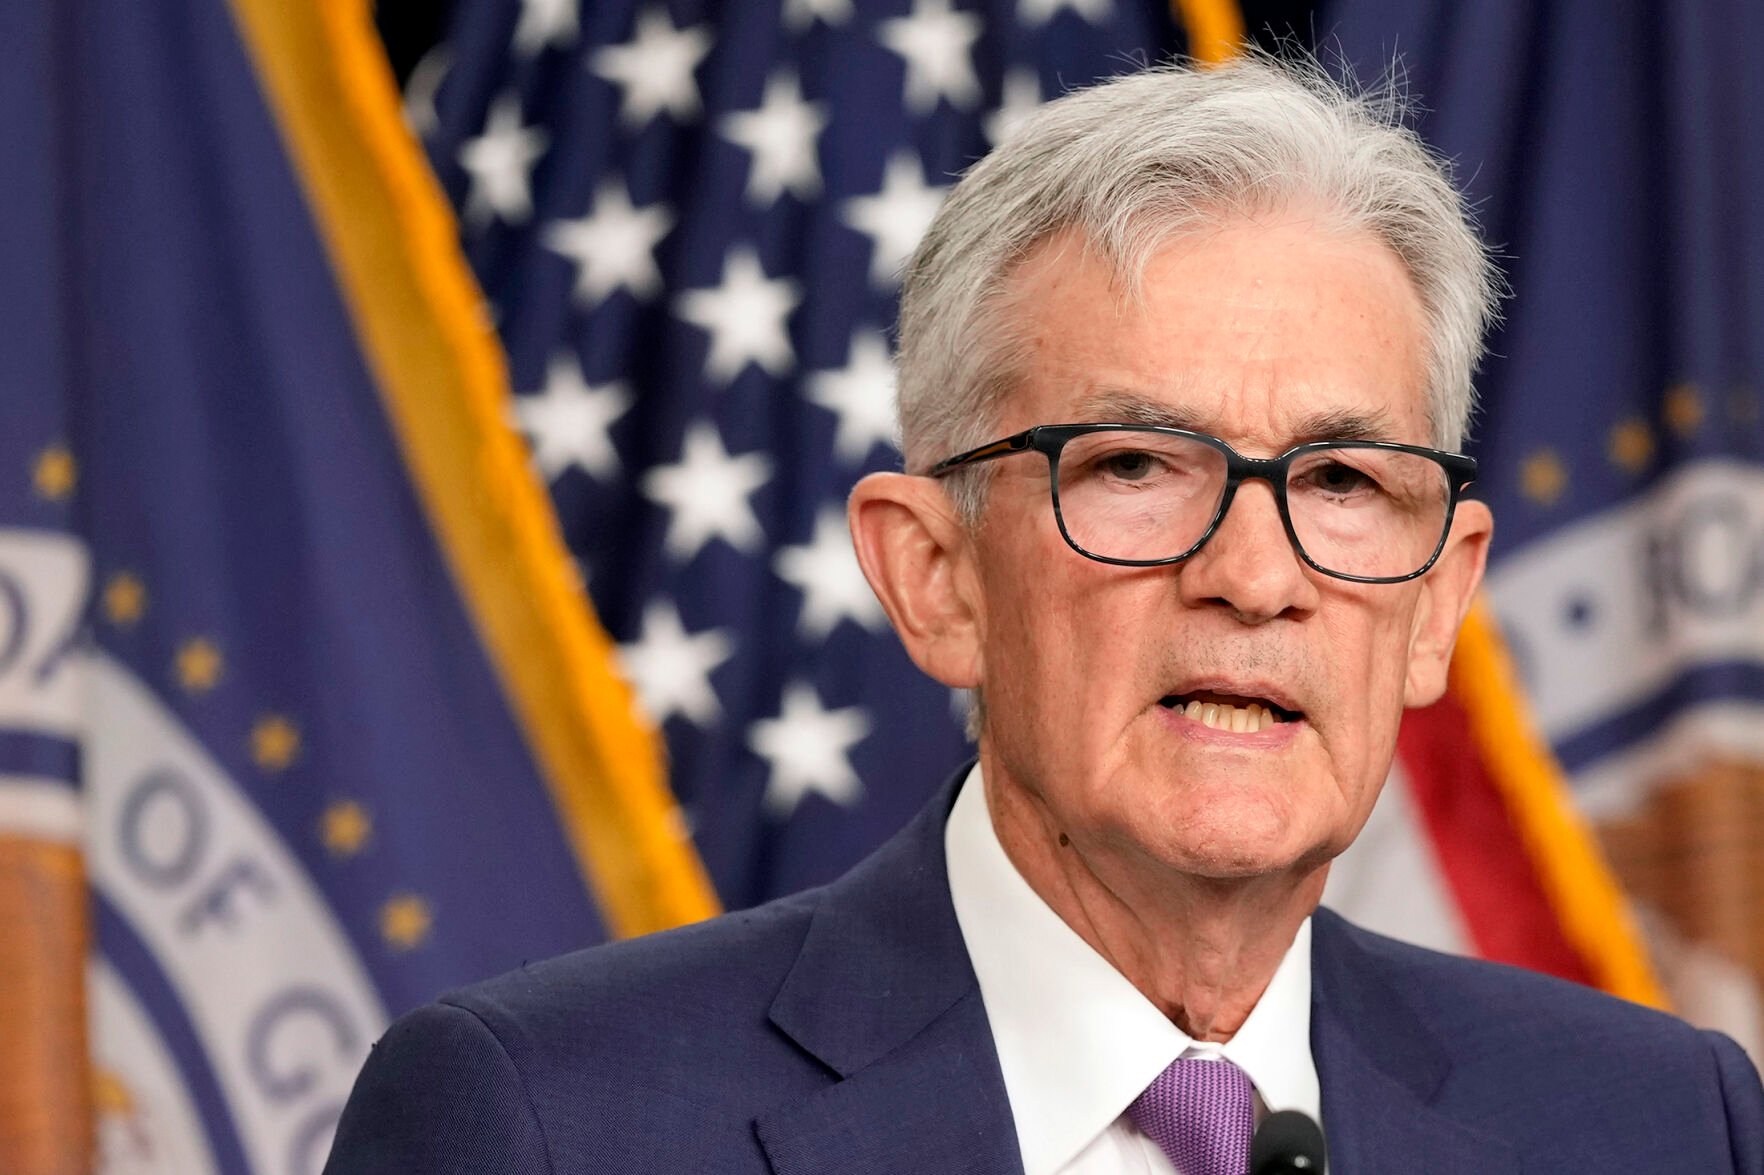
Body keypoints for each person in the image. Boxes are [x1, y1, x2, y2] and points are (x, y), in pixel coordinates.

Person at [324, 56, 1764, 1174]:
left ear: (1439, 601)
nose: (1255, 578)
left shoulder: (1656, 1126)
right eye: (1135, 466)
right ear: (935, 575)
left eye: (1338, 480)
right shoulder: (548, 1126)